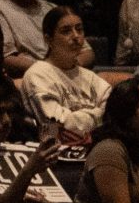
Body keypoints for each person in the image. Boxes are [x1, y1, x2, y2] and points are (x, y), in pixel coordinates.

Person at [18, 7, 108, 140]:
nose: (76, 36)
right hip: (56, 152)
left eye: (79, 29)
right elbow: (56, 125)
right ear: (48, 39)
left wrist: (76, 119)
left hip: (95, 147)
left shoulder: (91, 78)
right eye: (66, 31)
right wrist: (97, 116)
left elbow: (113, 116)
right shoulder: (37, 75)